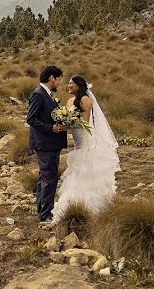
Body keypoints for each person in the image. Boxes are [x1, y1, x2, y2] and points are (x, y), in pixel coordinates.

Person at [52, 75, 120, 221]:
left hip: (85, 139)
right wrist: (63, 121)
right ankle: (73, 205)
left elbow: (84, 122)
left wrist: (65, 126)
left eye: (71, 83)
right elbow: (68, 117)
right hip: (76, 139)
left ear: (78, 86)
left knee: (85, 167)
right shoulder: (70, 101)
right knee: (77, 168)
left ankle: (90, 205)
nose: (68, 85)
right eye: (68, 83)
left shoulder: (85, 100)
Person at [26, 65, 66, 223]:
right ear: (51, 78)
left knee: (46, 176)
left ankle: (43, 210)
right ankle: (45, 214)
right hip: (45, 143)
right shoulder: (39, 94)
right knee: (49, 177)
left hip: (50, 143)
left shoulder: (47, 94)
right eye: (59, 79)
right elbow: (31, 119)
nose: (60, 83)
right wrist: (52, 128)